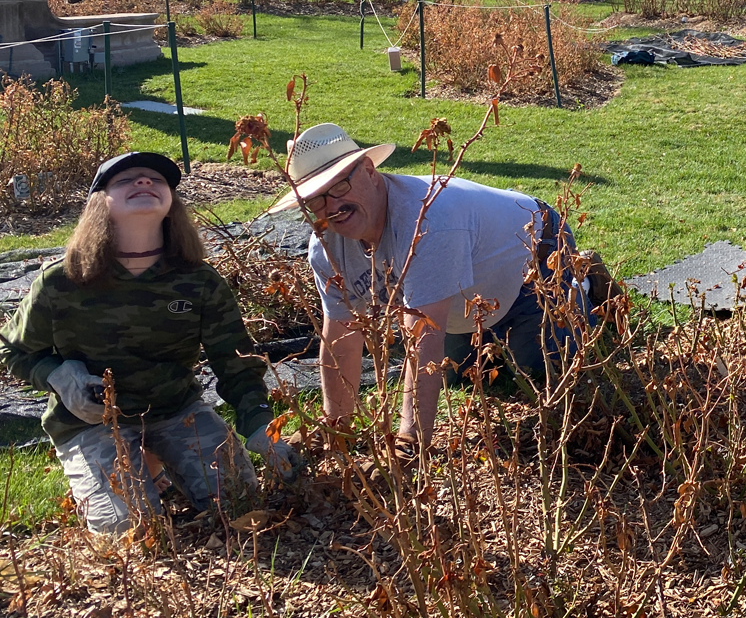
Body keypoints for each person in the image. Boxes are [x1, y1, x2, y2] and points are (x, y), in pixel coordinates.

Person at [0, 152, 299, 535]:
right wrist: (56, 374)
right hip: (93, 423)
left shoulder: (199, 281)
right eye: (126, 180)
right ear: (99, 203)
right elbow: (12, 349)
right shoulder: (62, 281)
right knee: (131, 528)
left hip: (176, 410)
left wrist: (259, 427)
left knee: (240, 500)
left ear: (172, 203)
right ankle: (124, 475)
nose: (144, 183)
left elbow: (236, 362)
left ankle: (156, 464)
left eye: (156, 180)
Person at [271, 123, 603, 449]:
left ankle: (586, 285)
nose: (331, 207)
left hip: (535, 258)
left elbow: (423, 335)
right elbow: (341, 336)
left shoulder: (426, 220)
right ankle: (496, 334)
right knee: (454, 375)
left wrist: (410, 442)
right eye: (315, 200)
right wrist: (335, 428)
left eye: (339, 187)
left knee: (540, 372)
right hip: (470, 300)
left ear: (369, 171)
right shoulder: (327, 248)